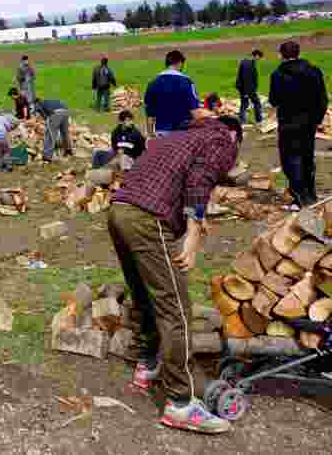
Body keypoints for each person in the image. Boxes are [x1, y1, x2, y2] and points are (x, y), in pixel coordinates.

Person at [108, 115, 243, 435]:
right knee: (176, 308)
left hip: (119, 210)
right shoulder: (223, 137)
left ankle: (148, 364)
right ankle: (181, 404)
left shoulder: (176, 137)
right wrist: (195, 232)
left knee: (144, 292)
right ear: (235, 134)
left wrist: (192, 218)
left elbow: (178, 178)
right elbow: (200, 179)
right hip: (147, 218)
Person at [269, 41, 328, 209]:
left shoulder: (277, 75)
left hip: (288, 123)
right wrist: (317, 119)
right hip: (309, 122)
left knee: (291, 160)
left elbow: (274, 100)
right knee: (308, 157)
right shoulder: (313, 71)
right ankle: (311, 193)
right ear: (298, 53)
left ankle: (300, 197)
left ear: (281, 55)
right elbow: (322, 98)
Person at [144, 50, 201, 137]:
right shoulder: (187, 82)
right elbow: (195, 110)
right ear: (179, 63)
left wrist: (150, 133)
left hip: (162, 132)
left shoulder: (153, 83)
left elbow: (149, 113)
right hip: (183, 132)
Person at [35, 97, 71, 162]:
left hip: (56, 113)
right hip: (65, 111)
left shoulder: (38, 104)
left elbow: (44, 115)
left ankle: (47, 156)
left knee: (50, 134)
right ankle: (68, 150)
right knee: (65, 132)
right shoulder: (49, 101)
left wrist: (46, 121)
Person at [235, 50, 264, 124]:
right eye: (259, 57)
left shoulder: (246, 62)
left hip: (245, 88)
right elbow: (246, 79)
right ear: (256, 56)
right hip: (248, 89)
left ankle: (242, 120)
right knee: (256, 103)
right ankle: (259, 120)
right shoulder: (249, 64)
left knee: (244, 103)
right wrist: (246, 93)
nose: (259, 59)